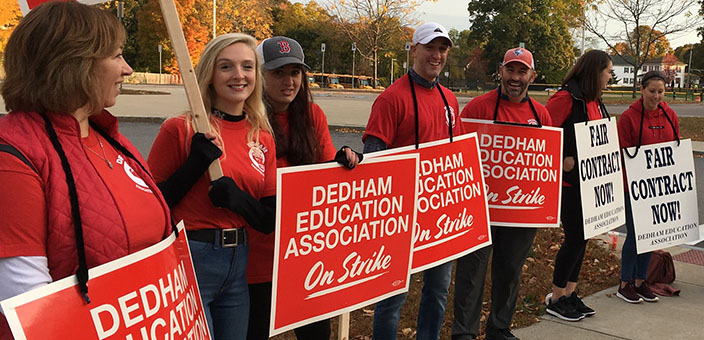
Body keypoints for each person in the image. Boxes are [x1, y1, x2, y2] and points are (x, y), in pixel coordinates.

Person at [0, 2, 171, 339]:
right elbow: (28, 299)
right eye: (117, 55)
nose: (129, 69)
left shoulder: (111, 138)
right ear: (74, 63)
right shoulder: (14, 153)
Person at [147, 33, 276, 340]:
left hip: (238, 262)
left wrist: (237, 200)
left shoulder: (262, 137)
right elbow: (152, 206)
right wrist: (193, 166)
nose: (239, 75)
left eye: (247, 66)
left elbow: (268, 219)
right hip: (192, 257)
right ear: (209, 74)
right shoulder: (181, 128)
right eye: (226, 67)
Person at [247, 36, 361, 340]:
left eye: (295, 72)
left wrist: (344, 161)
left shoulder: (313, 116)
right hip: (259, 256)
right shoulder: (247, 120)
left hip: (306, 255)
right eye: (278, 73)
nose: (289, 81)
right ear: (259, 75)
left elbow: (326, 177)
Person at [363, 22, 463, 340]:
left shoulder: (450, 100)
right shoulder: (391, 99)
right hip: (402, 216)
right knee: (392, 298)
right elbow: (373, 159)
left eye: (442, 49)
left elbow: (457, 155)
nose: (436, 55)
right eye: (430, 47)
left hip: (441, 214)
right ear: (414, 49)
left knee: (438, 291)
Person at [452, 47, 553, 340]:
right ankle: (464, 333)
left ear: (532, 76)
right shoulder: (477, 108)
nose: (515, 77)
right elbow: (458, 155)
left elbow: (545, 162)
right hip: (479, 210)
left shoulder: (541, 114)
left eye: (522, 72)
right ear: (501, 71)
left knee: (510, 270)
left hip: (521, 211)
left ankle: (499, 328)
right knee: (472, 273)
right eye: (510, 70)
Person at [544, 50, 613, 321]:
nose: (610, 76)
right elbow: (542, 133)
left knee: (583, 238)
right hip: (569, 185)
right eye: (607, 71)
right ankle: (557, 297)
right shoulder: (565, 99)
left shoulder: (594, 101)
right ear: (595, 72)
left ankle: (570, 294)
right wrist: (562, 159)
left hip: (591, 183)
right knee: (574, 239)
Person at [616, 70, 679, 304]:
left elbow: (676, 147)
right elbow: (622, 153)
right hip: (635, 187)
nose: (656, 96)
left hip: (660, 186)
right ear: (642, 89)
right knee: (635, 235)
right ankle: (625, 282)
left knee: (651, 236)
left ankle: (641, 281)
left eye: (661, 92)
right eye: (652, 91)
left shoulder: (669, 114)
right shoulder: (628, 118)